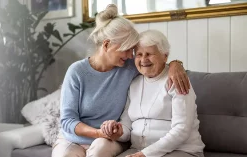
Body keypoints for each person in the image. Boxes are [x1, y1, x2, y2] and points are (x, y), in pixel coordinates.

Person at [52, 4, 190, 157]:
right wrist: (98, 132)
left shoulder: (129, 66)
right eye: (126, 49)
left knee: (99, 151)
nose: (130, 56)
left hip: (111, 139)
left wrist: (176, 64)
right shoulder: (77, 72)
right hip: (73, 139)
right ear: (106, 45)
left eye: (132, 50)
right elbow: (68, 120)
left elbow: (156, 63)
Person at [102, 30, 205, 157]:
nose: (143, 59)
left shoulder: (176, 79)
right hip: (139, 150)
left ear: (165, 56)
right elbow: (127, 126)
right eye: (139, 54)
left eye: (149, 54)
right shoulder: (134, 83)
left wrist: (145, 154)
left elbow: (181, 129)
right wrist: (118, 132)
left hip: (181, 150)